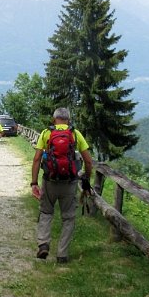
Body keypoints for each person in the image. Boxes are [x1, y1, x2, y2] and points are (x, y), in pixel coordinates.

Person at [30, 107, 93, 264]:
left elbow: (37, 159)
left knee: (46, 212)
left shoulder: (46, 133)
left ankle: (43, 244)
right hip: (69, 183)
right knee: (68, 218)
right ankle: (62, 254)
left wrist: (34, 183)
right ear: (68, 120)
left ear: (54, 119)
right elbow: (88, 161)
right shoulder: (75, 134)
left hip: (49, 181)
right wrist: (86, 178)